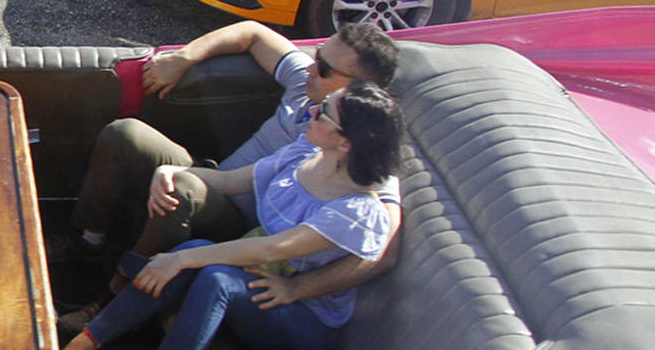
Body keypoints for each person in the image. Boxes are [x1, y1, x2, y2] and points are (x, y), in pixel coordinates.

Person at [59, 80, 404, 350]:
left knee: (214, 277)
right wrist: (173, 174)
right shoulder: (304, 154)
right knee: (196, 253)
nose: (313, 110)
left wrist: (178, 261)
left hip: (302, 321)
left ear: (346, 143)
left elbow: (275, 249)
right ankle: (85, 344)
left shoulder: (357, 211)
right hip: (261, 275)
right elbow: (229, 181)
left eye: (325, 111)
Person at [52, 19, 402, 332]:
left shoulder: (363, 151)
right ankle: (87, 243)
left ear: (362, 87)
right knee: (126, 134)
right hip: (223, 177)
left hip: (244, 228)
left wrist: (298, 288)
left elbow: (380, 251)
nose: (311, 67)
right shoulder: (305, 85)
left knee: (183, 189)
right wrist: (183, 58)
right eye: (317, 54)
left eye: (325, 68)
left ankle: (111, 300)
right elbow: (252, 32)